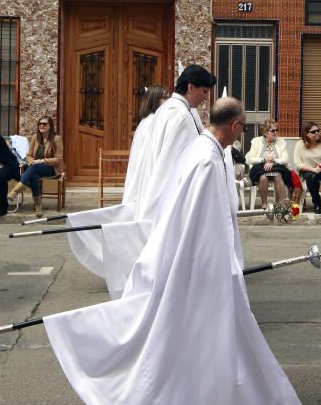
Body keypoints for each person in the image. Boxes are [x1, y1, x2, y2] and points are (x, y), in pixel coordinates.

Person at [44, 98, 304, 405]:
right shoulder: (206, 161)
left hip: (199, 262)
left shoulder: (201, 149)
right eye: (243, 127)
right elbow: (200, 221)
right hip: (200, 265)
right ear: (236, 127)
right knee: (197, 341)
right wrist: (216, 266)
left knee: (225, 338)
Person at [67, 64, 216, 299]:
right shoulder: (180, 116)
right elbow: (176, 163)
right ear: (190, 87)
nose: (205, 98)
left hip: (155, 189)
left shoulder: (168, 110)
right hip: (170, 194)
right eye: (204, 92)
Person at [8, 116, 65, 218]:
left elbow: (58, 159)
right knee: (33, 174)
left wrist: (42, 160)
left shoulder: (57, 139)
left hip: (52, 168)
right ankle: (38, 205)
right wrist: (32, 162)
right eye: (40, 124)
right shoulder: (35, 137)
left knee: (34, 168)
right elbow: (29, 155)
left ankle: (16, 190)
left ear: (50, 126)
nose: (41, 126)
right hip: (36, 168)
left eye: (44, 124)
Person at [123, 84, 170, 204]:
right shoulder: (151, 122)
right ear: (154, 100)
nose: (168, 101)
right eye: (165, 98)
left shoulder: (152, 120)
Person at [246, 120, 292, 209]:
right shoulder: (256, 141)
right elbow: (250, 158)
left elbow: (285, 158)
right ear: (265, 132)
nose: (276, 132)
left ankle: (283, 205)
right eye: (273, 130)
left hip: (277, 168)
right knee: (263, 177)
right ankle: (264, 204)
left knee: (278, 175)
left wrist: (273, 161)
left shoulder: (281, 142)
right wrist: (264, 160)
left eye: (276, 130)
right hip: (260, 169)